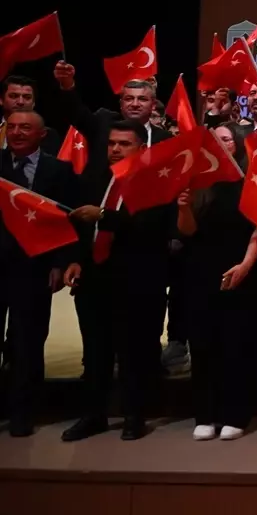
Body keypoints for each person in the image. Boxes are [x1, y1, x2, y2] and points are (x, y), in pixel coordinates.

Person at [63, 121, 176, 442]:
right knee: (95, 351)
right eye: (112, 143)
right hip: (94, 277)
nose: (115, 149)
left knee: (133, 352)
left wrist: (103, 216)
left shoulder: (155, 181)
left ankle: (134, 415)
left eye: (124, 144)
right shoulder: (96, 176)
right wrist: (74, 259)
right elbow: (77, 223)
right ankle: (93, 415)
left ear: (142, 148)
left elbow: (149, 226)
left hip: (136, 279)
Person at [175, 125, 257, 441]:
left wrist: (245, 266)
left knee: (235, 345)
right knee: (202, 344)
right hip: (200, 273)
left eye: (227, 139)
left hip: (241, 272)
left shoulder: (251, 179)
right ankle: (205, 415)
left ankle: (235, 415)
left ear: (237, 144)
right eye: (215, 140)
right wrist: (183, 207)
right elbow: (187, 231)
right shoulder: (197, 181)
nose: (221, 144)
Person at [0, 110, 79, 437]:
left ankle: (23, 412)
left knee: (28, 342)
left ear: (42, 135)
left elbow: (67, 220)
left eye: (25, 128)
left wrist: (61, 262)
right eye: (12, 127)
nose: (17, 133)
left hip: (34, 269)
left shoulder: (58, 170)